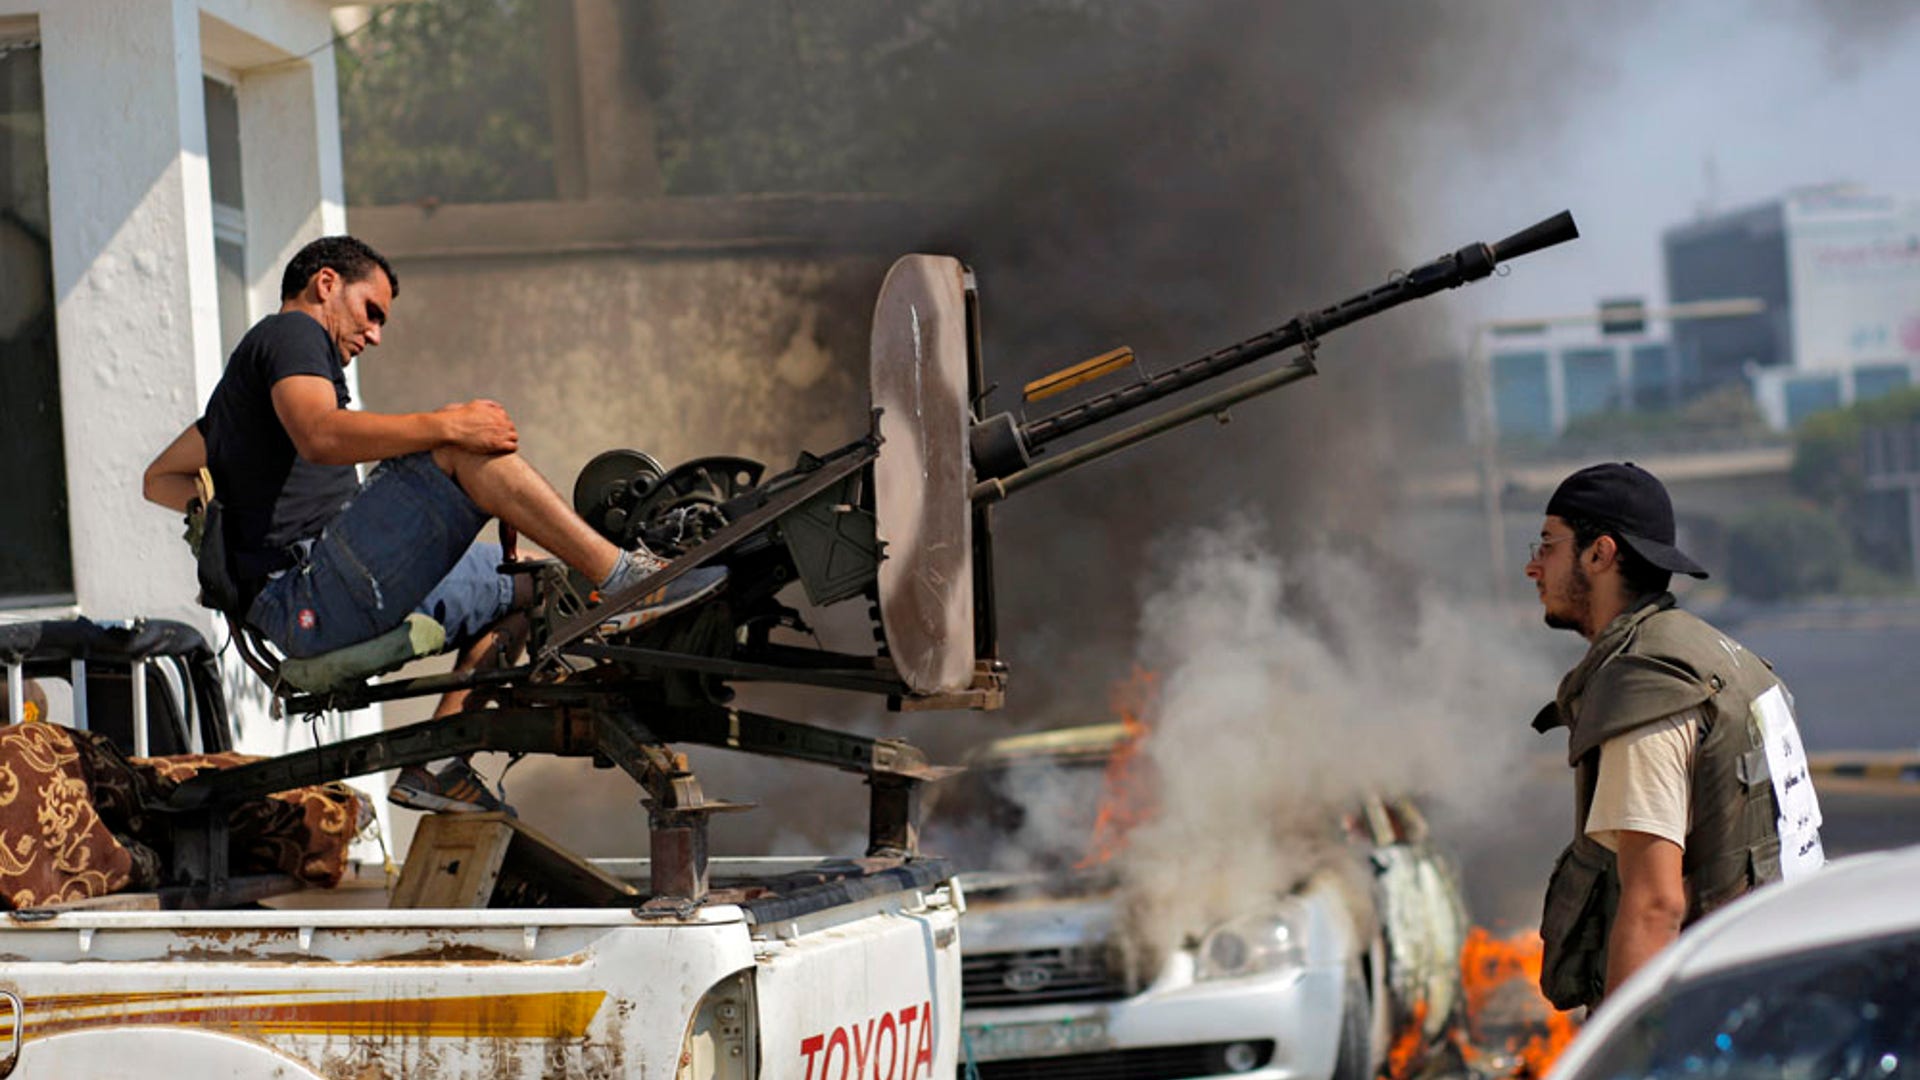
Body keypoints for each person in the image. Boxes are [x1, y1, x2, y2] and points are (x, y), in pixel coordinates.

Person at [142, 236, 726, 813]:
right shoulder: (291, 335)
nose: (374, 335)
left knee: (538, 587)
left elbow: (160, 478)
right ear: (325, 284)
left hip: (311, 597)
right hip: (308, 595)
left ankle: (439, 768)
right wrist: (447, 426)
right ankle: (630, 581)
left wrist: (228, 509)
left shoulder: (243, 401)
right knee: (463, 451)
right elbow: (320, 436)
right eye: (371, 313)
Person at [1524, 462, 1823, 1011]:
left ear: (1600, 554)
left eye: (1548, 545)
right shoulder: (1729, 660)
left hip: (1702, 1026)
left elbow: (1654, 905)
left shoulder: (1647, 683)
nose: (1531, 566)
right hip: (1768, 1004)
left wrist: (1624, 1062)